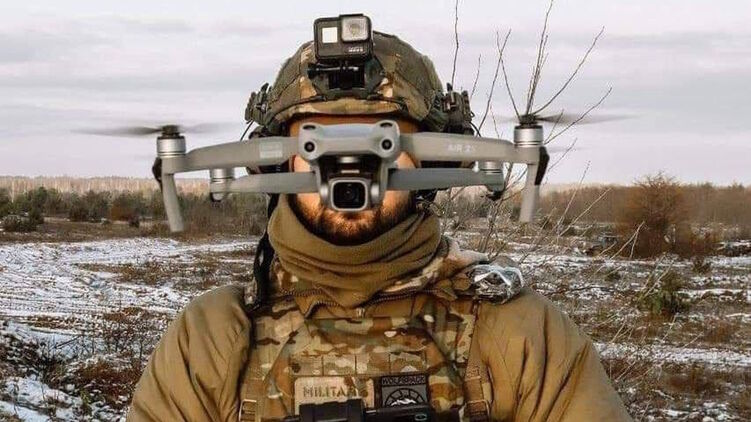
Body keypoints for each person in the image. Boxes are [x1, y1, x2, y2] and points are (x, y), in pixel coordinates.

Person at [128, 17, 632, 422]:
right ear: (279, 162)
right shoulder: (212, 341)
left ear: (430, 160)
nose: (349, 171)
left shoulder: (519, 335)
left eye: (382, 142)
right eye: (318, 144)